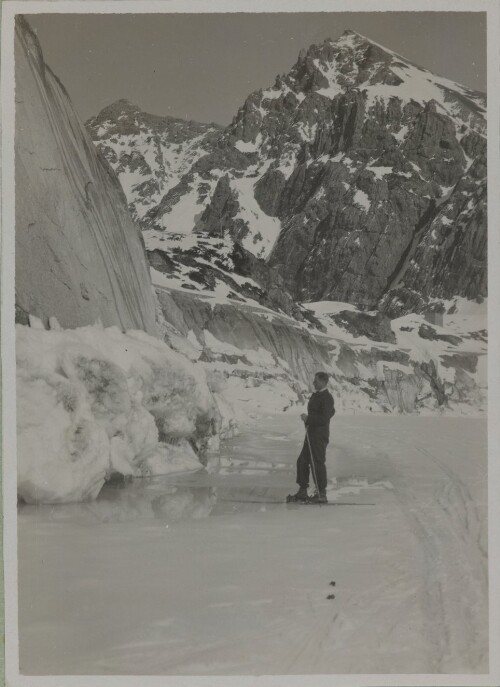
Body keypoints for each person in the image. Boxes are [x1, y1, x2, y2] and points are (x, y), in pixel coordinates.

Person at [288, 372, 335, 504]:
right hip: (311, 433)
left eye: (316, 381)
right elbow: (328, 413)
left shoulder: (327, 397)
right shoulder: (318, 395)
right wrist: (309, 420)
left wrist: (309, 418)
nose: (313, 383)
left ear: (323, 382)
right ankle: (303, 491)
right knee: (302, 461)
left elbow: (324, 418)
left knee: (317, 463)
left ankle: (321, 493)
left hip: (319, 435)